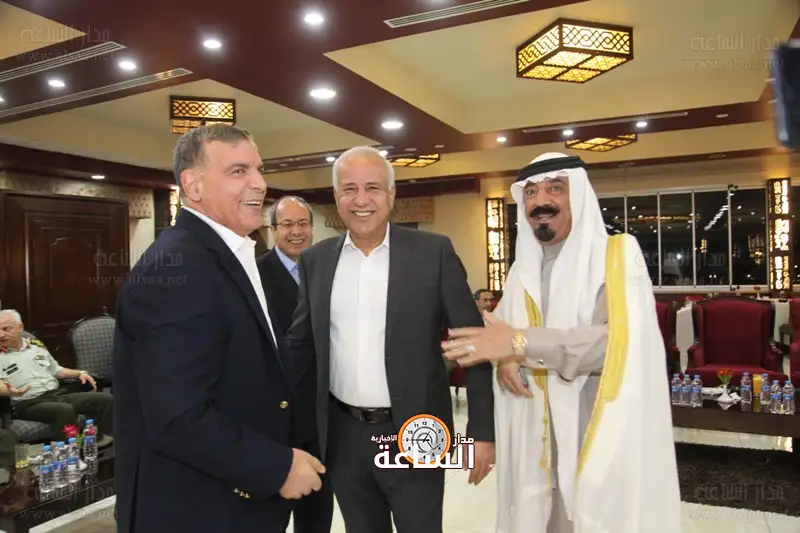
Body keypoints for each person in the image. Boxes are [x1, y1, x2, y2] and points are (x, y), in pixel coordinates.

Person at [443, 152, 680, 532]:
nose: (541, 201)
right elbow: (500, 334)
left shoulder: (617, 256)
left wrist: (518, 344)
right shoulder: (521, 270)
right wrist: (506, 357)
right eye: (531, 192)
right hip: (534, 441)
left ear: (579, 196)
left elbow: (614, 342)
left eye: (555, 188)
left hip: (595, 431)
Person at [113, 124, 325, 533]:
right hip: (197, 510)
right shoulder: (174, 268)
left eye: (259, 170)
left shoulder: (227, 254)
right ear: (193, 185)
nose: (259, 183)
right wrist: (276, 466)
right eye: (238, 171)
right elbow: (177, 418)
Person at [287, 146, 495, 533]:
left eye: (372, 188)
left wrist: (482, 432)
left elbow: (474, 344)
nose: (361, 200)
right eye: (349, 189)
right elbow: (299, 348)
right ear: (336, 197)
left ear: (392, 194)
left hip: (418, 429)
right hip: (343, 435)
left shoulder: (433, 253)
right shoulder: (316, 261)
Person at [257, 196, 334, 533]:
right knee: (271, 512)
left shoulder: (327, 269)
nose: (296, 231)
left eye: (303, 223)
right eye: (287, 224)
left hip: (323, 414)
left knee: (317, 509)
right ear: (273, 230)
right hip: (277, 413)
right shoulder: (256, 275)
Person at [0, 309, 113, 441]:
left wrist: (79, 373)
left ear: (20, 327)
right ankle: (70, 451)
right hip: (27, 402)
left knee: (105, 400)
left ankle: (110, 444)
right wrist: (8, 391)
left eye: (6, 329)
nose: (1, 335)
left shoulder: (35, 345)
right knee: (64, 410)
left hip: (55, 394)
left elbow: (56, 370)